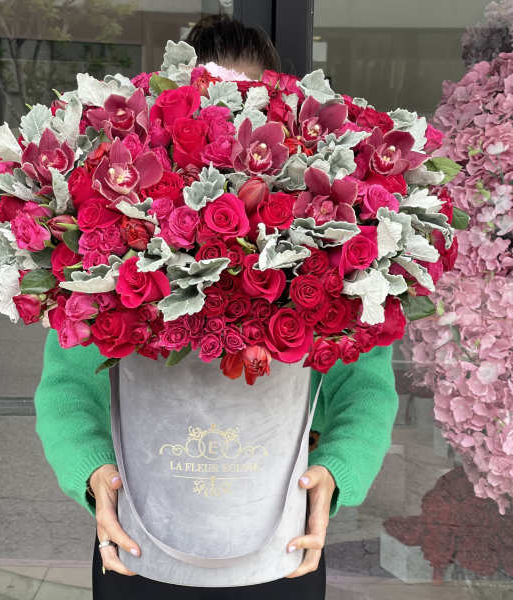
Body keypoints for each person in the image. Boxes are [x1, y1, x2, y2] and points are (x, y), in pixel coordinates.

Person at [32, 14, 400, 600]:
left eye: (246, 109)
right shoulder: (123, 247)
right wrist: (92, 469)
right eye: (210, 111)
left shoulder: (322, 248)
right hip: (138, 542)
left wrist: (336, 472)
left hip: (282, 544)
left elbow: (365, 386)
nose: (227, 136)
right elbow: (67, 385)